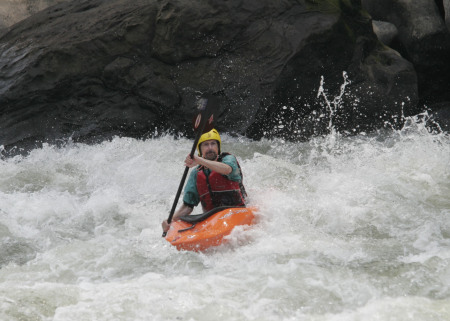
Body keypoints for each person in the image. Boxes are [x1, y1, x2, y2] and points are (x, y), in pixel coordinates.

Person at [162, 128, 247, 232]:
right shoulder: (196, 174)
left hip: (237, 212)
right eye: (206, 145)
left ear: (218, 147)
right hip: (212, 220)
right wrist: (170, 220)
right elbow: (188, 207)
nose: (210, 148)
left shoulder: (228, 159)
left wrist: (199, 160)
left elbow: (226, 169)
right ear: (200, 150)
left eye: (213, 144)